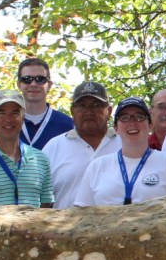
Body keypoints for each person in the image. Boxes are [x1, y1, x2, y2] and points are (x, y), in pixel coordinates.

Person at [74, 97, 166, 206]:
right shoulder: (97, 166)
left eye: (139, 117)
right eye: (124, 118)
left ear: (150, 125)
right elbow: (80, 213)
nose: (132, 123)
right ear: (116, 128)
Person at [43, 81, 118, 209]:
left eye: (96, 105)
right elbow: (41, 199)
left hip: (117, 227)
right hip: (63, 227)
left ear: (109, 111)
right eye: (82, 106)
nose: (89, 112)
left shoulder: (124, 145)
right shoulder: (54, 147)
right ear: (72, 111)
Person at [16, 57, 74, 150]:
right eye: (27, 79)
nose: (33, 84)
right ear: (19, 85)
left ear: (49, 85)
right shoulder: (5, 124)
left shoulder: (68, 126)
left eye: (40, 79)